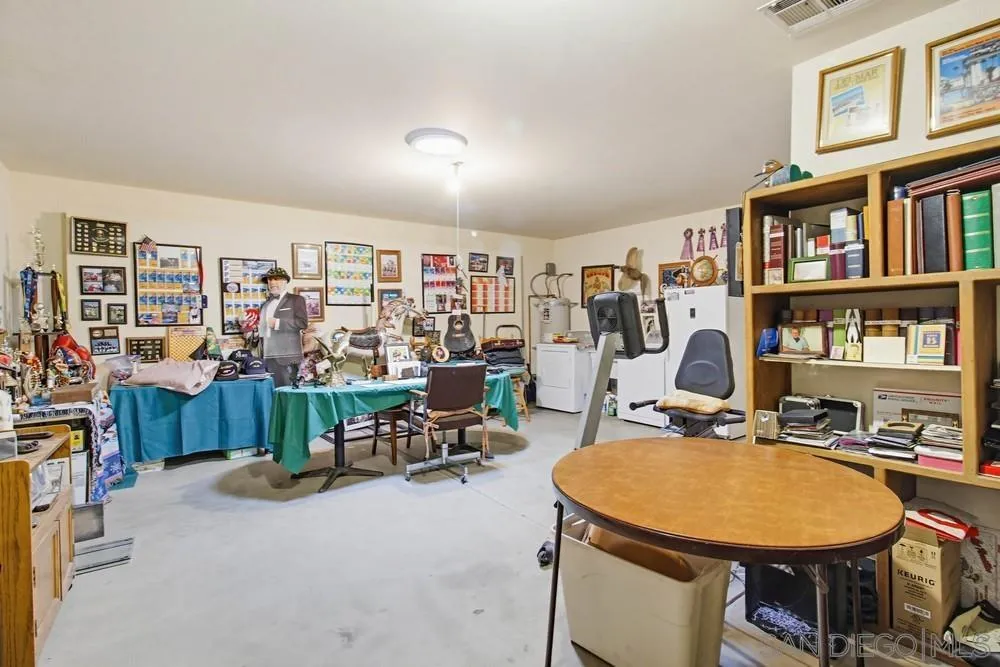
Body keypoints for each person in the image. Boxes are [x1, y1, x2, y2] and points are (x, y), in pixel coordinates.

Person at [259, 267, 308, 387]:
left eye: (276, 279)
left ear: (285, 281)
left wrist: (278, 323)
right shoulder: (264, 305)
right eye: (269, 280)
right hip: (267, 356)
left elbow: (302, 323)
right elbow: (263, 330)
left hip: (287, 357)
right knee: (273, 393)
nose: (272, 282)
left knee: (288, 393)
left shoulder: (296, 300)